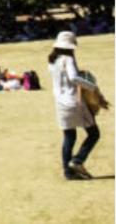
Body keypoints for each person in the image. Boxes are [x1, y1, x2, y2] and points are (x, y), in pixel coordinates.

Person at [48, 31, 108, 180]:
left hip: (60, 102)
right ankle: (77, 160)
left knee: (69, 136)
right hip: (74, 101)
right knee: (94, 134)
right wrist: (92, 87)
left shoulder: (52, 61)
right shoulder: (67, 59)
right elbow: (74, 78)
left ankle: (68, 172)